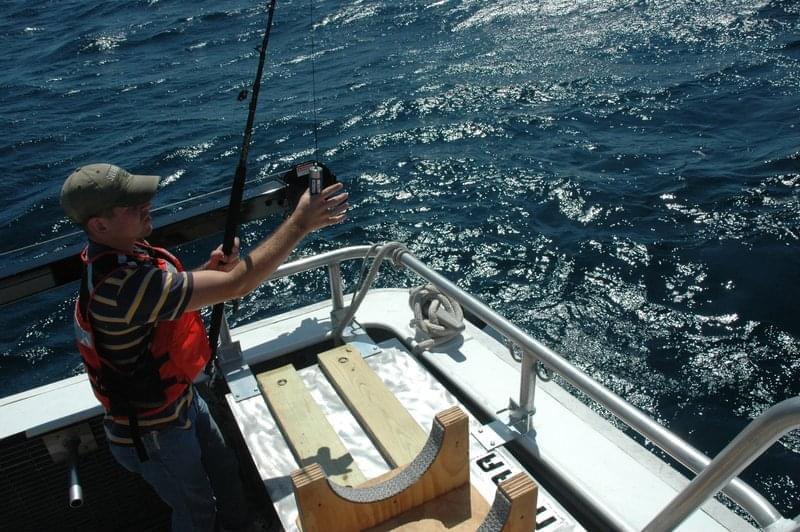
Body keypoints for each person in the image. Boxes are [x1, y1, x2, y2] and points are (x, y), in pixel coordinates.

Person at [59, 163, 348, 532]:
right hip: (157, 434)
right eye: (131, 204)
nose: (146, 204)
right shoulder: (121, 287)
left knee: (226, 471)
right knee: (197, 514)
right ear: (99, 226)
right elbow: (238, 285)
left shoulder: (125, 253)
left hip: (182, 402)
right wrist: (301, 222)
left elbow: (162, 300)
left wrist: (207, 271)